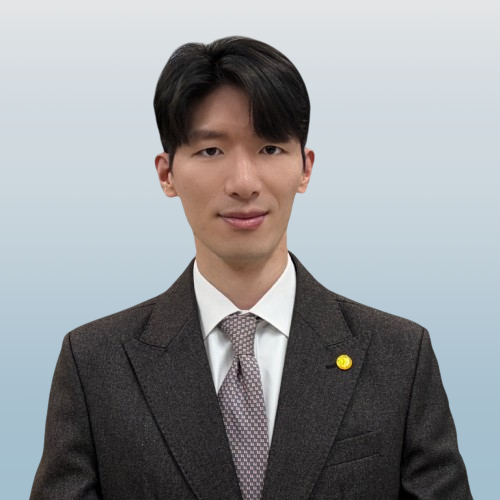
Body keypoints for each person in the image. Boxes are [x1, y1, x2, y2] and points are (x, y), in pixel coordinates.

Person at [30, 36, 472, 499]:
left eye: (270, 148)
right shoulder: (95, 364)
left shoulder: (399, 356)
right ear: (166, 173)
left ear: (305, 168)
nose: (243, 183)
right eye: (211, 151)